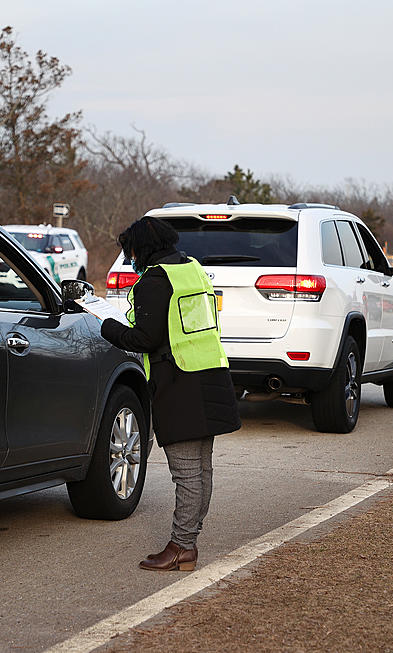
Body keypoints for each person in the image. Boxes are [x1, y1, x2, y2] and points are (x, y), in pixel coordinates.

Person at [100, 216, 240, 572]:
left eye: (130, 250)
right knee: (202, 469)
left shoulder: (154, 281)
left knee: (186, 473)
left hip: (180, 383)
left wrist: (107, 326)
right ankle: (188, 541)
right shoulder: (191, 270)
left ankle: (182, 546)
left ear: (141, 248)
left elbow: (144, 339)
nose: (129, 257)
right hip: (209, 373)